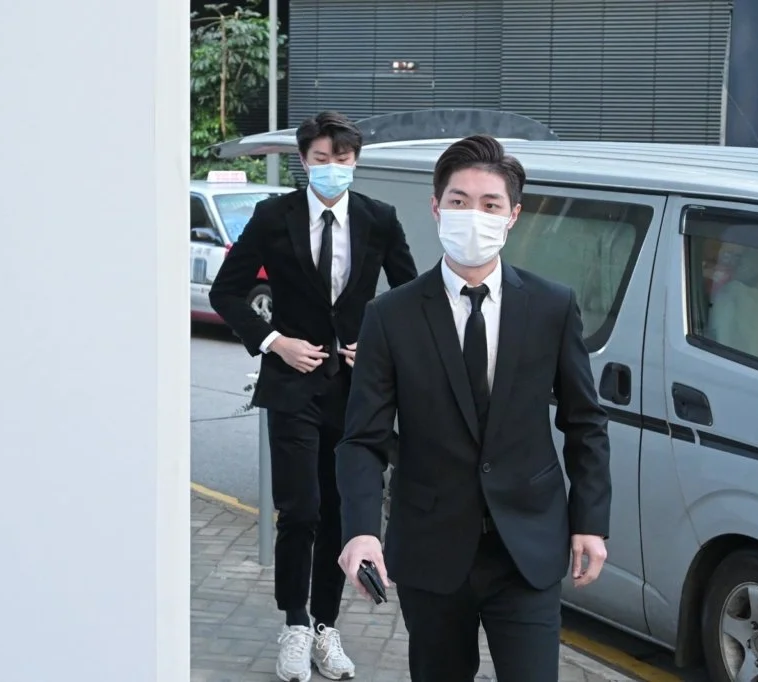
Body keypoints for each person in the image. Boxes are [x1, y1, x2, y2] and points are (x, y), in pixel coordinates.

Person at [335, 134, 612, 682]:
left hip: (527, 546)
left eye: (490, 204)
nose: (474, 216)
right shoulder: (391, 315)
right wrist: (361, 531)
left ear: (513, 216)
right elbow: (363, 438)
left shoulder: (552, 306)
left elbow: (584, 421)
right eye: (459, 201)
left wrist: (590, 521)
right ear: (436, 208)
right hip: (431, 548)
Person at [209, 110, 418, 682]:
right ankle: (295, 624)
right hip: (292, 386)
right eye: (321, 159)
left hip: (355, 392)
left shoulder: (378, 218)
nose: (332, 168)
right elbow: (227, 292)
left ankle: (327, 627)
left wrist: (376, 345)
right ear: (304, 161)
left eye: (342, 159)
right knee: (300, 510)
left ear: (356, 162)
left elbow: (412, 294)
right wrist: (275, 342)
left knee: (340, 513)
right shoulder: (272, 216)